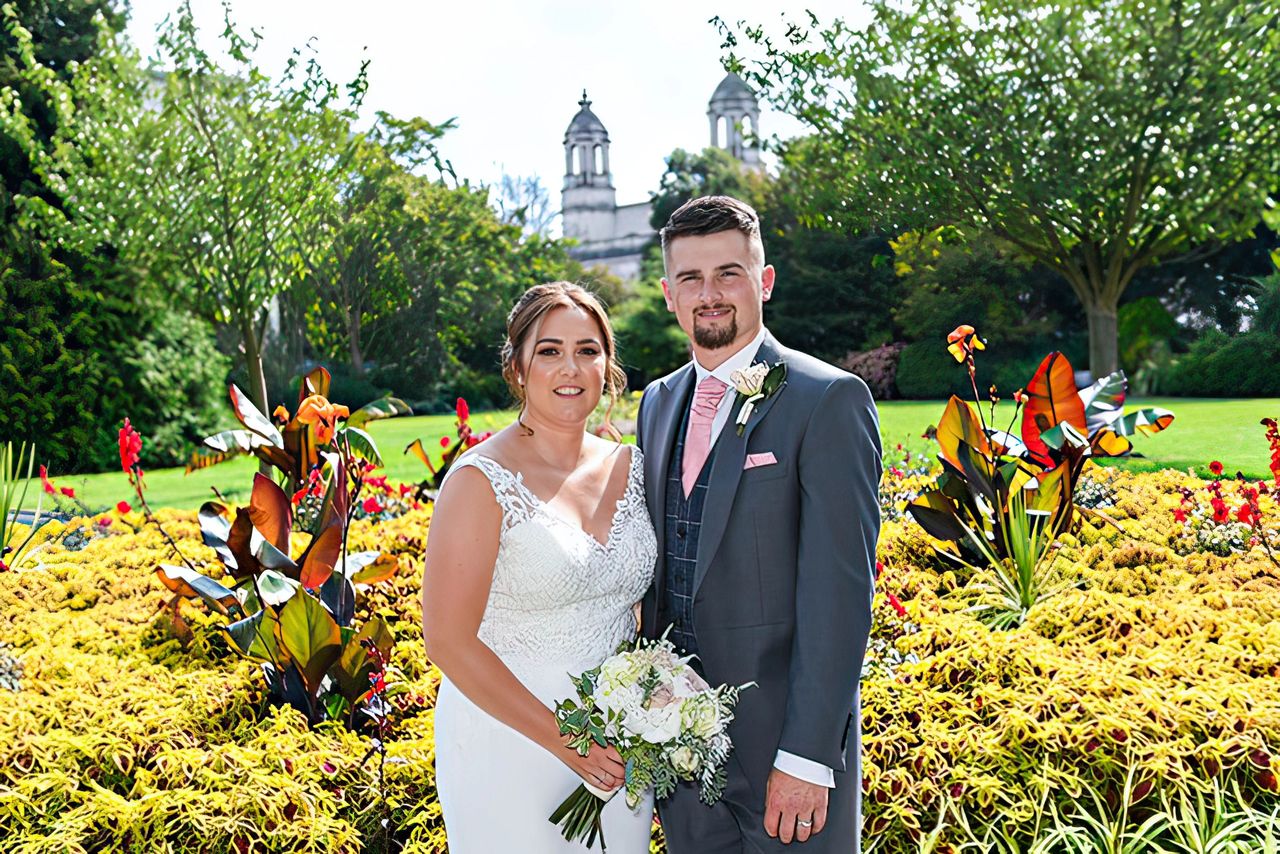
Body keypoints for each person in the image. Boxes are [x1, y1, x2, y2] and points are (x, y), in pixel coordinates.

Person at [636, 196, 882, 852]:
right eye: (690, 278)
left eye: (729, 273)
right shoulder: (656, 402)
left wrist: (807, 755)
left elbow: (840, 593)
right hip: (679, 755)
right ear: (668, 293)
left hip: (784, 751)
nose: (709, 294)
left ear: (764, 281)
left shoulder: (826, 399)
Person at [422, 282, 657, 852]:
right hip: (511, 742)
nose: (570, 368)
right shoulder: (480, 480)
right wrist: (568, 743)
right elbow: (447, 640)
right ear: (518, 368)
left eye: (587, 350)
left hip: (621, 748)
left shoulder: (633, 466)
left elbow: (639, 604)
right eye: (549, 351)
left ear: (607, 366)